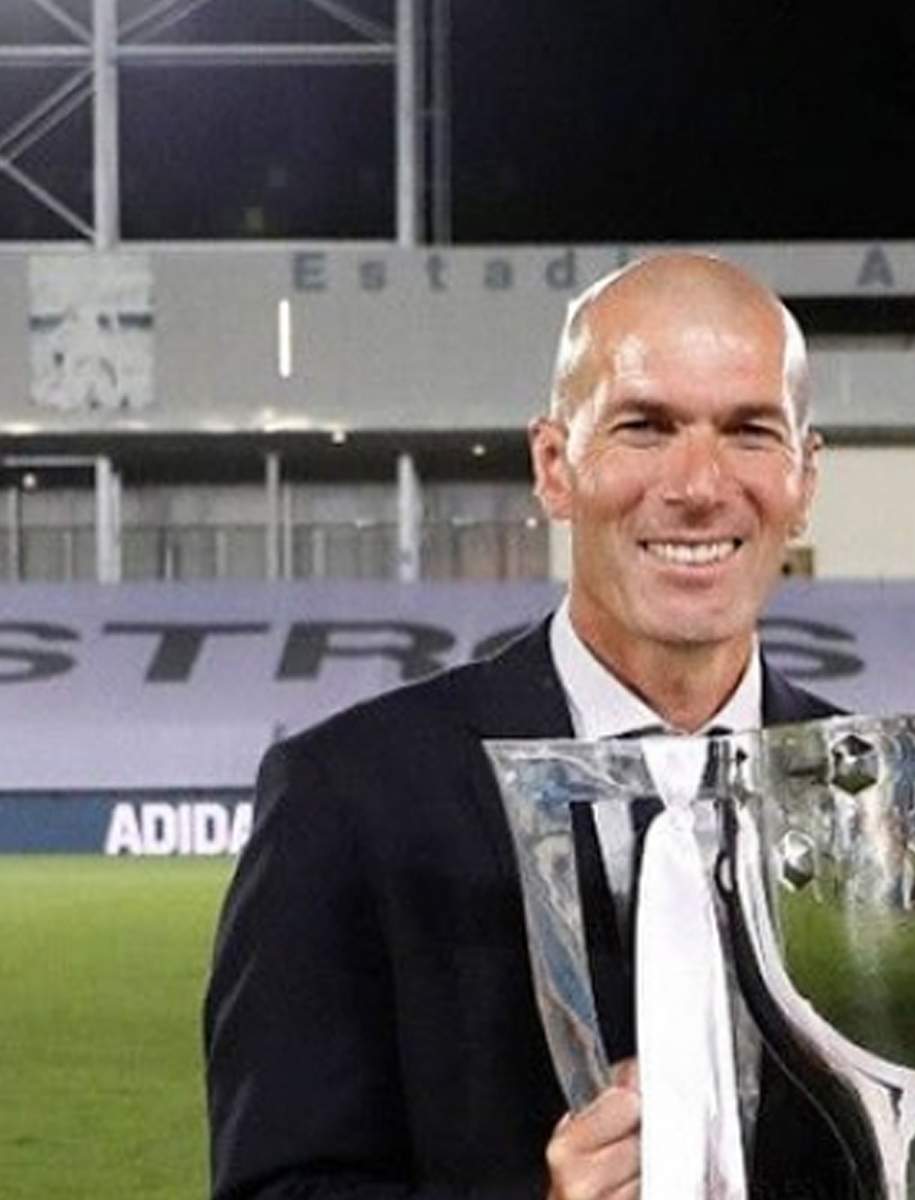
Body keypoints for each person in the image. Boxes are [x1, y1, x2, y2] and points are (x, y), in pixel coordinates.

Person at [204, 253, 857, 1200]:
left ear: (804, 477)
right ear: (554, 466)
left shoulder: (875, 798)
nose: (700, 484)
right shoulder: (351, 800)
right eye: (645, 427)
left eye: (750, 431)